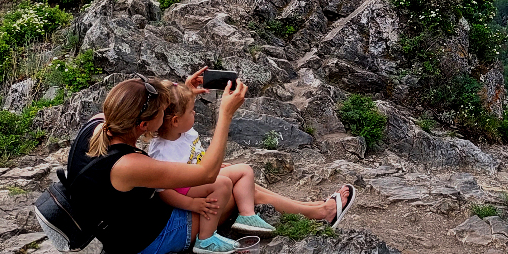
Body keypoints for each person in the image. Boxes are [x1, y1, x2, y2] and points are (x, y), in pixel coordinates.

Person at [65, 72, 244, 254]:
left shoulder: (99, 121)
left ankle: (276, 208)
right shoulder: (127, 165)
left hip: (122, 224)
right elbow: (207, 174)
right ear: (144, 124)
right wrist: (225, 115)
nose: (166, 113)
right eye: (163, 111)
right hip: (138, 242)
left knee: (230, 186)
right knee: (228, 198)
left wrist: (185, 94)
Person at [145, 80, 355, 231]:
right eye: (192, 112)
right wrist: (194, 202)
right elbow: (165, 190)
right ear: (175, 121)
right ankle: (317, 213)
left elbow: (194, 159)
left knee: (249, 185)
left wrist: (186, 90)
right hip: (192, 198)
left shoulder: (183, 132)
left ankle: (313, 208)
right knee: (246, 183)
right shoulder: (162, 150)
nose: (196, 114)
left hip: (201, 183)